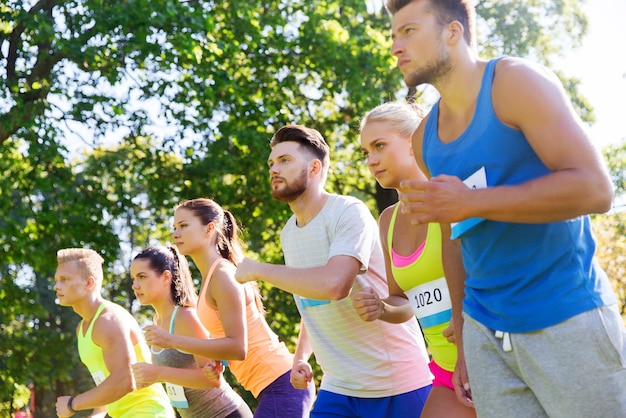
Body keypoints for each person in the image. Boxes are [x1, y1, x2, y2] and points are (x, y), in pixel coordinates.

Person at [385, 1, 626, 417]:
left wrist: (471, 201)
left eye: (408, 31)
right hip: (485, 336)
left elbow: (595, 189)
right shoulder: (425, 138)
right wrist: (462, 338)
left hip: (566, 314)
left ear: (453, 32)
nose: (395, 46)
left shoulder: (515, 82)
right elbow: (454, 239)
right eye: (393, 35)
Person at [235, 124, 433, 418]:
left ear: (314, 168)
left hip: (398, 384)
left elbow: (334, 284)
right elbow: (312, 300)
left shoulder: (347, 212)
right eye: (272, 163)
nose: (274, 169)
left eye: (285, 160)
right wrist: (300, 356)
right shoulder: (289, 233)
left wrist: (259, 270)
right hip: (339, 388)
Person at [352, 101, 475, 418]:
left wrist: (466, 320)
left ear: (415, 141)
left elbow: (492, 270)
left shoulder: (452, 194)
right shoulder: (387, 221)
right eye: (366, 151)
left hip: (488, 359)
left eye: (379, 146)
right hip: (447, 370)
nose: (371, 160)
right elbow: (402, 300)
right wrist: (381, 307)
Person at [142, 198, 315, 417]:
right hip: (271, 386)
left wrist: (172, 340)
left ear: (209, 229)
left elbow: (238, 347)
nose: (175, 233)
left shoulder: (222, 275)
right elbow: (228, 341)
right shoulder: (210, 278)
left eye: (184, 226)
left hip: (283, 382)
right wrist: (214, 362)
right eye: (174, 227)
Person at [129, 245, 253, 418]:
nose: (135, 285)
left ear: (165, 277)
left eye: (142, 277)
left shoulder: (185, 317)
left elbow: (213, 379)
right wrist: (150, 377)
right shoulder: (157, 321)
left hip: (226, 413)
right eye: (133, 278)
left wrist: (159, 374)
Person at [53, 248, 174, 418]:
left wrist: (74, 404)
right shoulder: (83, 327)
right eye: (57, 280)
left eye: (65, 279)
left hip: (148, 412)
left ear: (89, 283)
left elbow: (124, 381)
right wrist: (98, 414)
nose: (57, 286)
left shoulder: (108, 321)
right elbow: (106, 382)